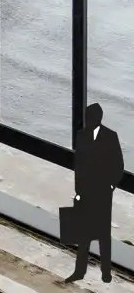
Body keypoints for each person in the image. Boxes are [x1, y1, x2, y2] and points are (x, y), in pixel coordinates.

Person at [65, 102, 121, 283]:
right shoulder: (82, 135)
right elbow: (79, 166)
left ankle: (106, 273)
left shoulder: (110, 136)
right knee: (84, 234)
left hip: (103, 192)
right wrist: (78, 191)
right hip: (86, 192)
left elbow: (118, 165)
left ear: (97, 118)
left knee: (104, 234)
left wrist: (110, 186)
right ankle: (79, 271)